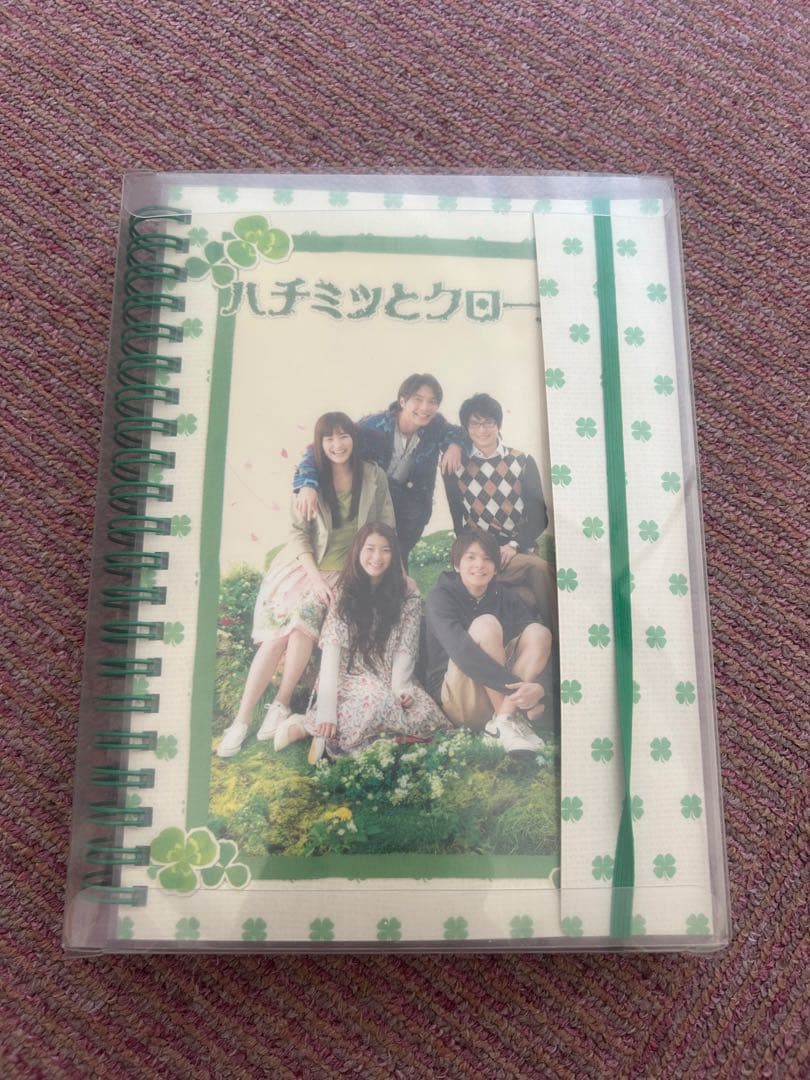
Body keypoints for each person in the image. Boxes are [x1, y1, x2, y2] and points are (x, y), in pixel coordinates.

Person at [217, 413, 395, 758]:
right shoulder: (309, 479)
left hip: (344, 573)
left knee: (302, 626)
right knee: (276, 637)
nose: (337, 445)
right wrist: (314, 578)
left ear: (354, 439)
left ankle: (280, 704)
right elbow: (298, 534)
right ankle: (241, 719)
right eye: (329, 439)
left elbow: (387, 526)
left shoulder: (373, 476)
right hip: (304, 568)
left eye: (343, 436)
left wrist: (394, 570)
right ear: (319, 444)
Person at [272, 523, 451, 760]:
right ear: (358, 551)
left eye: (385, 550)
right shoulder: (343, 591)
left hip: (390, 674)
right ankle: (311, 724)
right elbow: (332, 652)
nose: (377, 557)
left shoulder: (407, 592)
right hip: (350, 675)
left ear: (394, 555)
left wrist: (400, 688)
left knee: (423, 713)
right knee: (377, 702)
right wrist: (326, 711)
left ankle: (337, 734)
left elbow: (406, 647)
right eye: (370, 549)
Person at [292, 374, 465, 568]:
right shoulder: (373, 426)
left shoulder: (436, 425)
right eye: (418, 399)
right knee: (373, 562)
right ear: (402, 401)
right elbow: (317, 449)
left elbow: (459, 432)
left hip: (412, 512)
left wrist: (455, 445)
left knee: (398, 562)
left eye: (432, 401)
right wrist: (307, 484)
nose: (425, 407)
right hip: (375, 506)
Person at [423, 527, 551, 753]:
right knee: (486, 624)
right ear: (456, 564)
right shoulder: (440, 599)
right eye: (471, 557)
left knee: (539, 632)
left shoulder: (504, 596)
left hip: (495, 697)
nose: (479, 565)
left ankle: (503, 721)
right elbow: (462, 653)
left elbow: (538, 648)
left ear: (496, 568)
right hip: (459, 700)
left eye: (487, 559)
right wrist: (519, 692)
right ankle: (510, 717)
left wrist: (539, 689)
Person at [444, 392, 556, 629]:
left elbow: (539, 516)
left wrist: (513, 545)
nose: (482, 430)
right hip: (481, 550)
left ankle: (555, 635)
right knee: (522, 593)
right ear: (466, 428)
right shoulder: (456, 465)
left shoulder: (521, 461)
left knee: (537, 574)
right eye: (475, 424)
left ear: (498, 424)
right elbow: (456, 517)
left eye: (489, 423)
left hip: (517, 547)